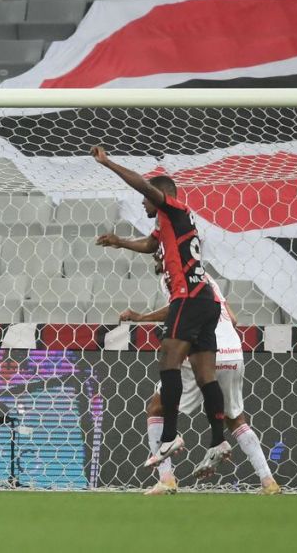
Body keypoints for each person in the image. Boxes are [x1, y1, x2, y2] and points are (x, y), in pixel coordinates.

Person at [93, 144, 230, 478]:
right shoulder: (170, 223)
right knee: (205, 375)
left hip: (189, 298)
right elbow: (152, 245)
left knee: (168, 363)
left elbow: (143, 186)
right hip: (207, 302)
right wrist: (121, 242)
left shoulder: (175, 207)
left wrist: (108, 163)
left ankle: (169, 437)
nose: (143, 202)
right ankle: (217, 441)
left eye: (148, 198)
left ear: (161, 196)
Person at [122, 252, 280, 495]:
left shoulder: (172, 277)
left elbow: (179, 309)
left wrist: (142, 317)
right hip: (233, 352)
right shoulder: (207, 278)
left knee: (157, 408)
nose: (156, 258)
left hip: (204, 352)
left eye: (160, 254)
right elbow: (234, 320)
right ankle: (268, 482)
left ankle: (167, 479)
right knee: (235, 418)